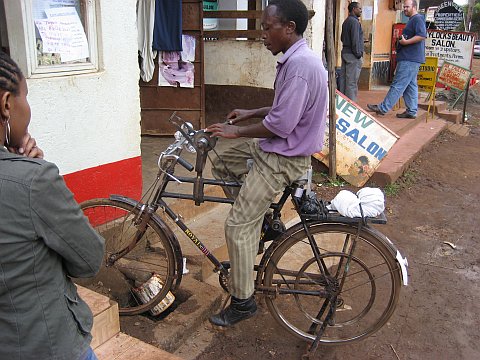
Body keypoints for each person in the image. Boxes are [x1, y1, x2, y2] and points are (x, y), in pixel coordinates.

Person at [206, 0, 328, 327]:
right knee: (223, 159)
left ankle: (243, 302)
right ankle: (258, 223)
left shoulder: (300, 66)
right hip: (277, 148)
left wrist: (237, 130)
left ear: (289, 28)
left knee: (235, 226)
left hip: (281, 158)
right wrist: (249, 113)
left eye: (267, 27)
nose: (263, 34)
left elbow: (282, 125)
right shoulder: (296, 60)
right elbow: (281, 108)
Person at [0, 51, 105, 360]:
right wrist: (30, 172)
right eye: (25, 97)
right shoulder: (35, 182)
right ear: (7, 103)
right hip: (48, 346)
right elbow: (88, 259)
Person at [367, 0, 426, 119]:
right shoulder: (412, 20)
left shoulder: (417, 19)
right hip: (411, 58)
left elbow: (422, 35)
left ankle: (383, 108)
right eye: (404, 7)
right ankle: (412, 111)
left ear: (414, 7)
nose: (404, 9)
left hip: (409, 58)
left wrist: (405, 42)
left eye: (407, 7)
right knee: (410, 86)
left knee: (398, 84)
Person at [339, 1, 364, 102]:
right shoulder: (354, 22)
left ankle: (342, 103)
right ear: (354, 9)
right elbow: (355, 40)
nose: (361, 11)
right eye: (359, 9)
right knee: (351, 83)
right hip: (353, 55)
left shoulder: (346, 21)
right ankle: (351, 104)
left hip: (345, 52)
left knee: (344, 81)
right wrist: (358, 54)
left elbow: (342, 38)